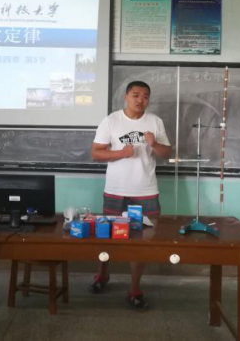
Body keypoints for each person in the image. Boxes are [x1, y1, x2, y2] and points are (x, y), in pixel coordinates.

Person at [90, 80, 172, 311]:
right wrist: (121, 153)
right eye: (135, 95)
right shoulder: (111, 120)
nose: (140, 100)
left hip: (146, 191)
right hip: (115, 190)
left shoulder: (155, 121)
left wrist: (155, 144)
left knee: (142, 241)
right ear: (126, 97)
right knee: (107, 236)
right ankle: (102, 275)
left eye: (145, 96)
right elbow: (96, 153)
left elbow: (167, 153)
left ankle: (135, 288)